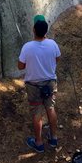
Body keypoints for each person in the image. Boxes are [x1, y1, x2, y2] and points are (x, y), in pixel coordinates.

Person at [18, 15, 61, 153]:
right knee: (50, 108)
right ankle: (54, 139)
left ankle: (39, 143)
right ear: (46, 31)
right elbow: (57, 58)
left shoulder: (27, 47)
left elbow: (20, 66)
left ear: (33, 29)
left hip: (34, 86)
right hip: (50, 83)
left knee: (37, 113)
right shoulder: (53, 44)